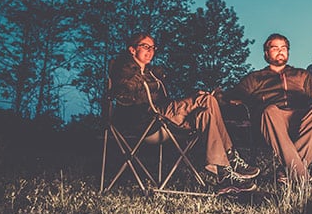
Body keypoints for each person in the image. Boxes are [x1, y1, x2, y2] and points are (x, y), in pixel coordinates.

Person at [109, 32, 260, 194]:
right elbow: (124, 94)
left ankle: (224, 174)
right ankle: (231, 158)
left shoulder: (154, 73)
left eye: (153, 47)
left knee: (206, 112)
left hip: (165, 119)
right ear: (132, 50)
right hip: (146, 119)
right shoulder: (123, 69)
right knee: (206, 99)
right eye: (145, 46)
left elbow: (166, 100)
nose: (150, 51)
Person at [225, 33, 312, 184]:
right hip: (271, 121)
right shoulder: (255, 77)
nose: (280, 51)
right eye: (275, 48)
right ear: (266, 53)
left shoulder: (302, 75)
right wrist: (222, 97)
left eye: (284, 48)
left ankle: (286, 172)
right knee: (270, 111)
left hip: (299, 118)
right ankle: (302, 178)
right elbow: (236, 95)